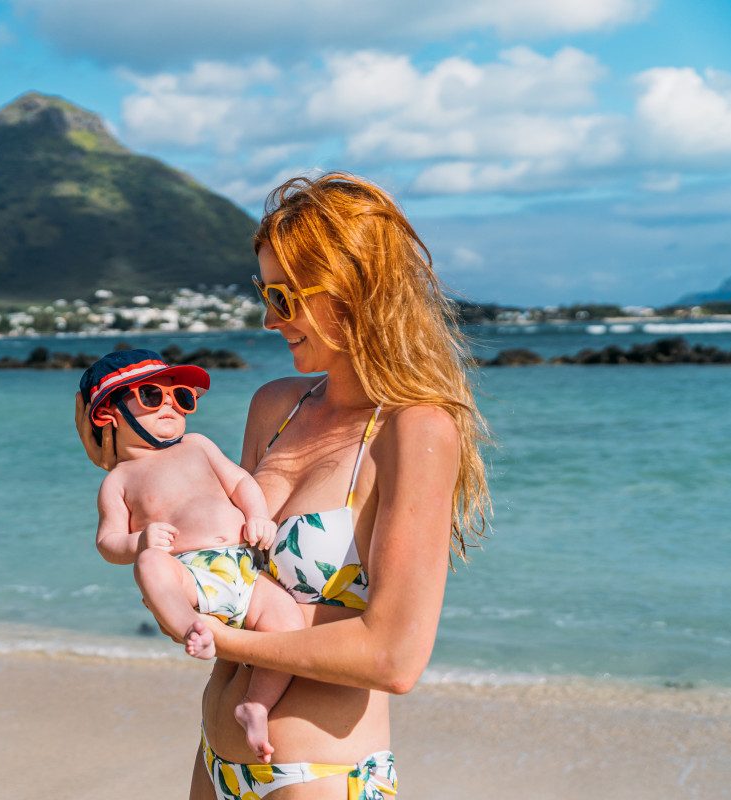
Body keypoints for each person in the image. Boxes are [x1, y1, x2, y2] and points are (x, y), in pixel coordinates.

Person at [75, 172, 491, 799]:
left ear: (353, 288)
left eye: (284, 296)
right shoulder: (275, 406)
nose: (270, 319)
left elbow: (395, 658)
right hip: (215, 762)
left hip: (318, 775)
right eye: (263, 293)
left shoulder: (414, 428)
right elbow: (222, 564)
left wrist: (213, 634)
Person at [80, 349, 305, 762]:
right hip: (189, 576)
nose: (170, 404)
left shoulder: (199, 445)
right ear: (108, 414)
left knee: (286, 619)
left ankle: (256, 703)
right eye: (151, 395)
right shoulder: (119, 480)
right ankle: (191, 628)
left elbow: (241, 483)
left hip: (242, 570)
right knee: (150, 565)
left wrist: (258, 516)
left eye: (181, 397)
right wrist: (142, 540)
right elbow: (108, 542)